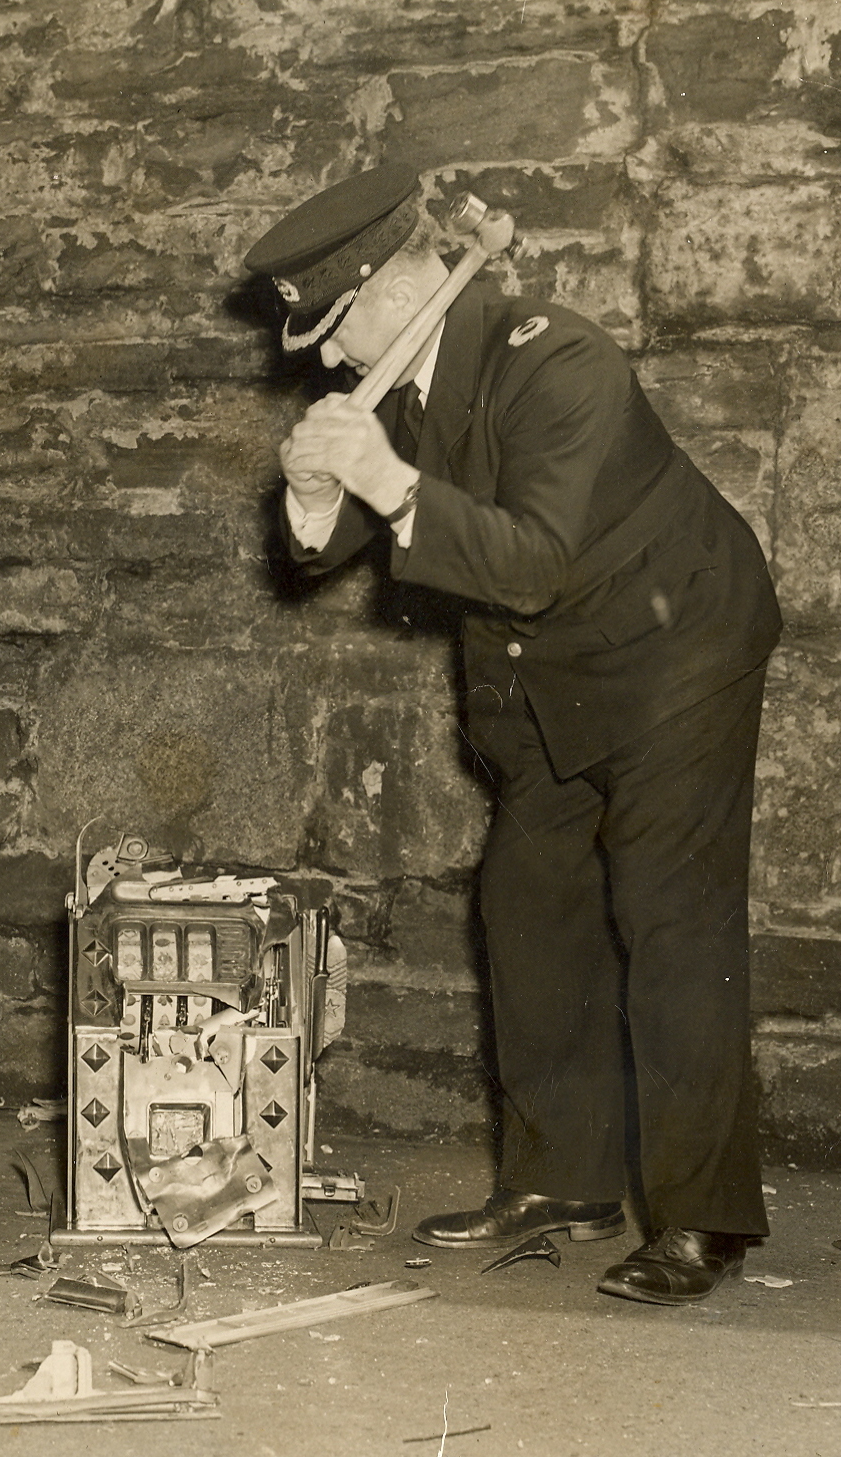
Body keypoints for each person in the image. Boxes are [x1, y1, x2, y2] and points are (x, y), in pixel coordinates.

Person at [245, 163, 782, 1305]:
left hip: (678, 647)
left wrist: (388, 482)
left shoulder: (561, 361)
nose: (332, 362)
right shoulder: (409, 377)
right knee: (529, 898)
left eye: (337, 332)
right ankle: (562, 1181)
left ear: (397, 288)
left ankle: (703, 1218)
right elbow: (327, 547)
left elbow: (531, 563)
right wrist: (313, 495)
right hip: (557, 676)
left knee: (669, 913)